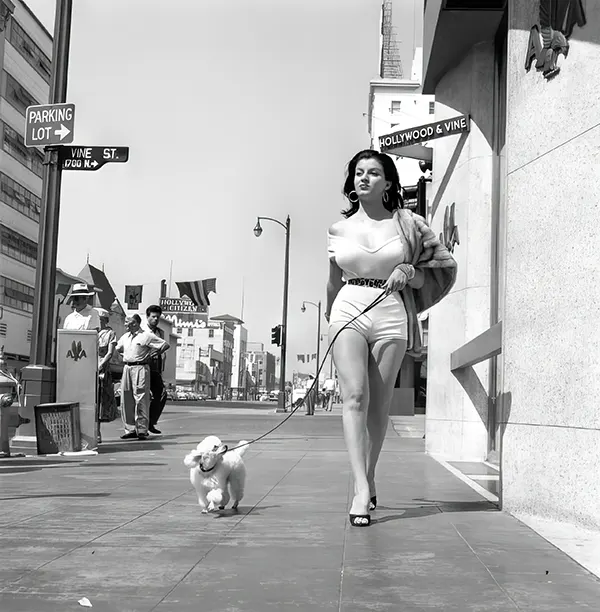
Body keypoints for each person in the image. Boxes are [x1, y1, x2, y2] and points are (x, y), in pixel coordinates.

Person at [326, 149, 456, 527]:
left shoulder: (408, 225)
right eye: (358, 173)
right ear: (352, 182)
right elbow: (333, 283)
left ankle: (368, 473)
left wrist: (408, 270)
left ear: (388, 183)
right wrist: (329, 323)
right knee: (355, 396)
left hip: (390, 312)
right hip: (348, 309)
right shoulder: (337, 229)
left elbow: (439, 268)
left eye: (373, 173)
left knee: (379, 406)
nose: (364, 178)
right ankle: (361, 489)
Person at [116, 314, 170, 440]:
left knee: (141, 398)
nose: (125, 324)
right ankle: (130, 428)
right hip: (127, 367)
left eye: (127, 322)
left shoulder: (146, 336)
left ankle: (141, 429)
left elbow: (164, 345)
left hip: (141, 367)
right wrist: (127, 355)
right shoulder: (125, 336)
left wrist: (151, 355)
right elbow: (118, 348)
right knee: (126, 397)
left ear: (135, 323)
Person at [96, 308, 118, 443]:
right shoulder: (92, 331)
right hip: (87, 365)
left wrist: (101, 365)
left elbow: (109, 353)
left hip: (101, 367)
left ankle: (97, 431)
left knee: (100, 400)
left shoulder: (110, 333)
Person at [145, 304, 167, 434]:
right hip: (143, 365)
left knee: (161, 394)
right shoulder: (142, 331)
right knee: (142, 397)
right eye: (153, 317)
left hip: (155, 368)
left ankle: (151, 422)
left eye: (158, 317)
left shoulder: (160, 332)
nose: (155, 319)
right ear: (148, 316)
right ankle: (139, 425)